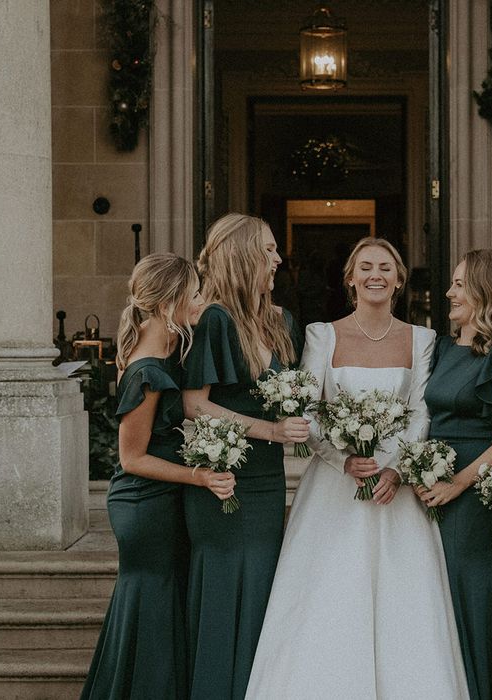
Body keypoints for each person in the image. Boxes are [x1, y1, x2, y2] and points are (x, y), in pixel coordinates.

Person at [245, 237, 469, 700]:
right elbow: (307, 412)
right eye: (365, 267)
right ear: (349, 278)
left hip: (396, 489)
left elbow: (421, 411)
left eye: (386, 268)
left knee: (403, 599)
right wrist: (343, 458)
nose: (376, 275)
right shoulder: (321, 335)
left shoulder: (422, 339)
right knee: (331, 596)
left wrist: (397, 471)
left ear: (400, 280)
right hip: (335, 486)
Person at [81, 254, 234, 700]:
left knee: (161, 606)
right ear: (170, 302)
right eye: (194, 294)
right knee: (150, 606)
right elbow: (132, 459)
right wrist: (200, 476)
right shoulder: (147, 371)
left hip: (163, 496)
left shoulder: (167, 348)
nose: (200, 302)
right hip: (143, 501)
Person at [180, 214, 308, 700]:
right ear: (242, 256)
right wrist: (272, 430)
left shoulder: (280, 322)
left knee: (260, 594)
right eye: (269, 250)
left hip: (266, 480)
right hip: (226, 482)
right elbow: (195, 404)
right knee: (227, 594)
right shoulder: (214, 319)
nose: (278, 259)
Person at [418, 249, 492, 700]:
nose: (449, 292)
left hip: (472, 487)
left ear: (483, 291)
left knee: (470, 588)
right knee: (436, 592)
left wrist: (461, 481)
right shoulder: (443, 347)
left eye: (460, 284)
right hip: (433, 483)